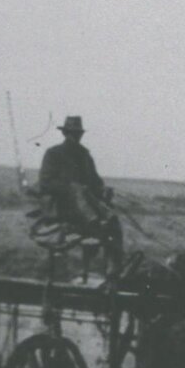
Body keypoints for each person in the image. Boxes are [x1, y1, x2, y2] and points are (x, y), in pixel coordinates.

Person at [37, 115, 123, 270]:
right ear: (65, 134)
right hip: (62, 207)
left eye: (77, 134)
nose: (74, 137)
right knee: (77, 189)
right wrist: (71, 188)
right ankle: (93, 222)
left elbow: (96, 182)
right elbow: (46, 182)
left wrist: (103, 190)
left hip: (85, 207)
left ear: (81, 135)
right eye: (71, 133)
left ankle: (115, 270)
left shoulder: (85, 156)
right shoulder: (53, 154)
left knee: (113, 222)